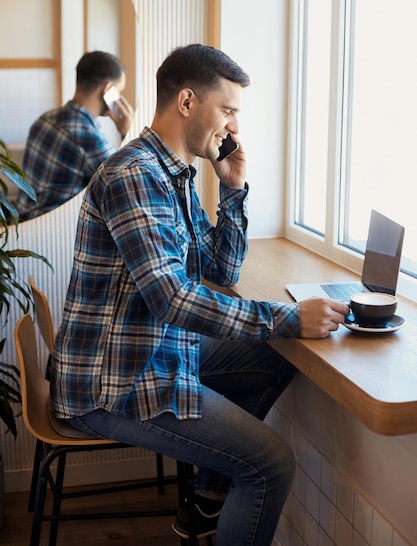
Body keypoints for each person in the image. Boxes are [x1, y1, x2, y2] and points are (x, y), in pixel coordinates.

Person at [50, 44, 348, 546]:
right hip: (115, 382)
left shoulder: (177, 173)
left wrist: (232, 188)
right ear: (187, 101)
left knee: (274, 357)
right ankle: (215, 498)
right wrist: (290, 317)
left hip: (154, 351)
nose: (233, 127)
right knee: (270, 464)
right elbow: (174, 300)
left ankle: (203, 505)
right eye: (228, 110)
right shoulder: (134, 175)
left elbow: (223, 268)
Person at [15, 50, 134, 221]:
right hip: (51, 233)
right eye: (118, 91)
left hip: (23, 224)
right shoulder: (88, 137)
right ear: (107, 90)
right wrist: (127, 131)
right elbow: (127, 187)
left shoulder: (44, 119)